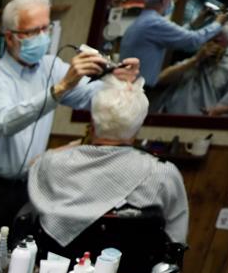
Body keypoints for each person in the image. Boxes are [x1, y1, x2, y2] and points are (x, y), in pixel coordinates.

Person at [0, 0, 138, 258]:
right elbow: (5, 122)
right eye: (32, 31)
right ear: (10, 37)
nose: (42, 36)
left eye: (45, 28)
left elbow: (94, 97)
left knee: (15, 264)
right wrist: (61, 87)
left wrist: (119, 79)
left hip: (28, 188)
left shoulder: (52, 67)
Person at [28, 69, 188, 251]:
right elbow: (176, 242)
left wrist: (80, 142)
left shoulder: (52, 164)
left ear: (93, 122)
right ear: (138, 126)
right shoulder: (162, 174)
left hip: (54, 267)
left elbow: (34, 165)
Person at [119, 0, 228, 89]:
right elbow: (192, 40)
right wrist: (218, 23)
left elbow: (177, 37)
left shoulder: (143, 21)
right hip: (138, 88)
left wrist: (194, 23)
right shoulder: (155, 23)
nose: (172, 2)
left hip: (130, 84)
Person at [153, 24, 228, 116]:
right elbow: (161, 79)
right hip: (173, 119)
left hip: (208, 122)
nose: (210, 45)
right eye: (207, 40)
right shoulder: (191, 62)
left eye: (216, 41)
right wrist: (196, 60)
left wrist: (217, 110)